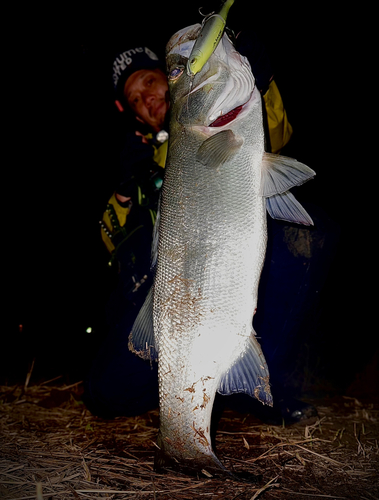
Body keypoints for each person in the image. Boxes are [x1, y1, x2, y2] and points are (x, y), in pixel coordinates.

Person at [83, 30, 336, 425]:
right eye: (135, 98)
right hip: (169, 293)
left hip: (228, 265)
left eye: (149, 81)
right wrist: (123, 193)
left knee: (306, 233)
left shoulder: (215, 116)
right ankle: (194, 384)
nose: (147, 98)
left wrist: (261, 82)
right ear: (130, 112)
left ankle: (261, 388)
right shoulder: (136, 162)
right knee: (106, 394)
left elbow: (274, 133)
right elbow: (107, 239)